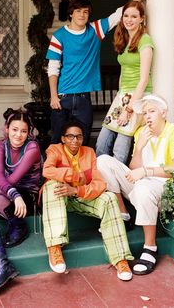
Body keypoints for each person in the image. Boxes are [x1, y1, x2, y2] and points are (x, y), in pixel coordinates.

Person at [97, 94, 174, 275]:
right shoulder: (141, 132)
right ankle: (124, 214)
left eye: (152, 111)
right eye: (145, 112)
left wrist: (147, 172)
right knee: (103, 161)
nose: (147, 116)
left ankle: (150, 248)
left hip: (163, 188)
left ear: (163, 112)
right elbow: (133, 168)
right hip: (141, 183)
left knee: (143, 187)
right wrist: (139, 147)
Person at [46, 0, 149, 145]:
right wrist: (53, 95)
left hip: (84, 98)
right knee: (57, 140)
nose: (82, 14)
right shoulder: (59, 36)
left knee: (83, 139)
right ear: (71, 13)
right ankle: (52, 170)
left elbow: (119, 14)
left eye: (86, 11)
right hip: (62, 97)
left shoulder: (95, 30)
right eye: (78, 11)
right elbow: (53, 68)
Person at [41, 120, 134, 281]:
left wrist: (77, 190)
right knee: (52, 185)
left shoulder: (89, 152)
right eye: (70, 136)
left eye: (79, 137)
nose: (74, 140)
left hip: (81, 196)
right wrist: (74, 175)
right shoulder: (54, 150)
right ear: (63, 138)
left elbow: (99, 183)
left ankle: (120, 258)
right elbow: (47, 170)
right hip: (60, 197)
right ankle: (55, 246)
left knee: (110, 197)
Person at [0, 108, 43, 294]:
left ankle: (18, 226)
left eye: (23, 131)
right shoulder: (0, 145)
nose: (18, 135)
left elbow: (10, 180)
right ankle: (3, 265)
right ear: (7, 129)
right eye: (14, 129)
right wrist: (10, 193)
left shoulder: (32, 148)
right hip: (11, 194)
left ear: (29, 132)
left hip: (28, 195)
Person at [96, 0, 154, 164]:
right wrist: (120, 97)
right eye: (126, 16)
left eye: (134, 16)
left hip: (138, 97)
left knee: (120, 148)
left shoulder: (145, 41)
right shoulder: (126, 39)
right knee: (101, 143)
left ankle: (117, 186)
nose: (129, 19)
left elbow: (143, 80)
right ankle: (102, 182)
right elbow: (124, 69)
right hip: (123, 96)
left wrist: (129, 109)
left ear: (141, 19)